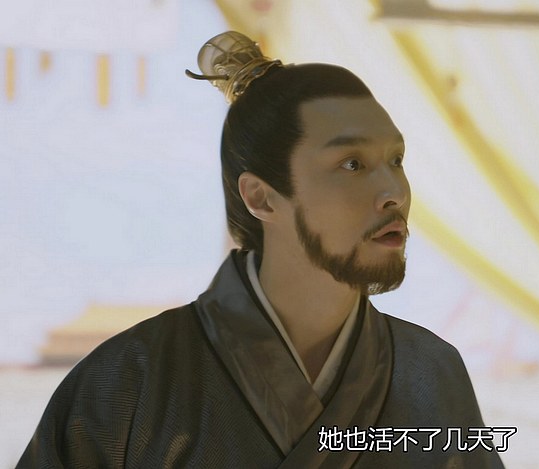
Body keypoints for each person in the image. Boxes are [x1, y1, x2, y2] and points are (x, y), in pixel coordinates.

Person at [18, 31, 505, 468]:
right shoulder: (130, 380)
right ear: (262, 197)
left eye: (396, 160)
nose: (394, 192)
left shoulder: (431, 371)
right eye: (352, 164)